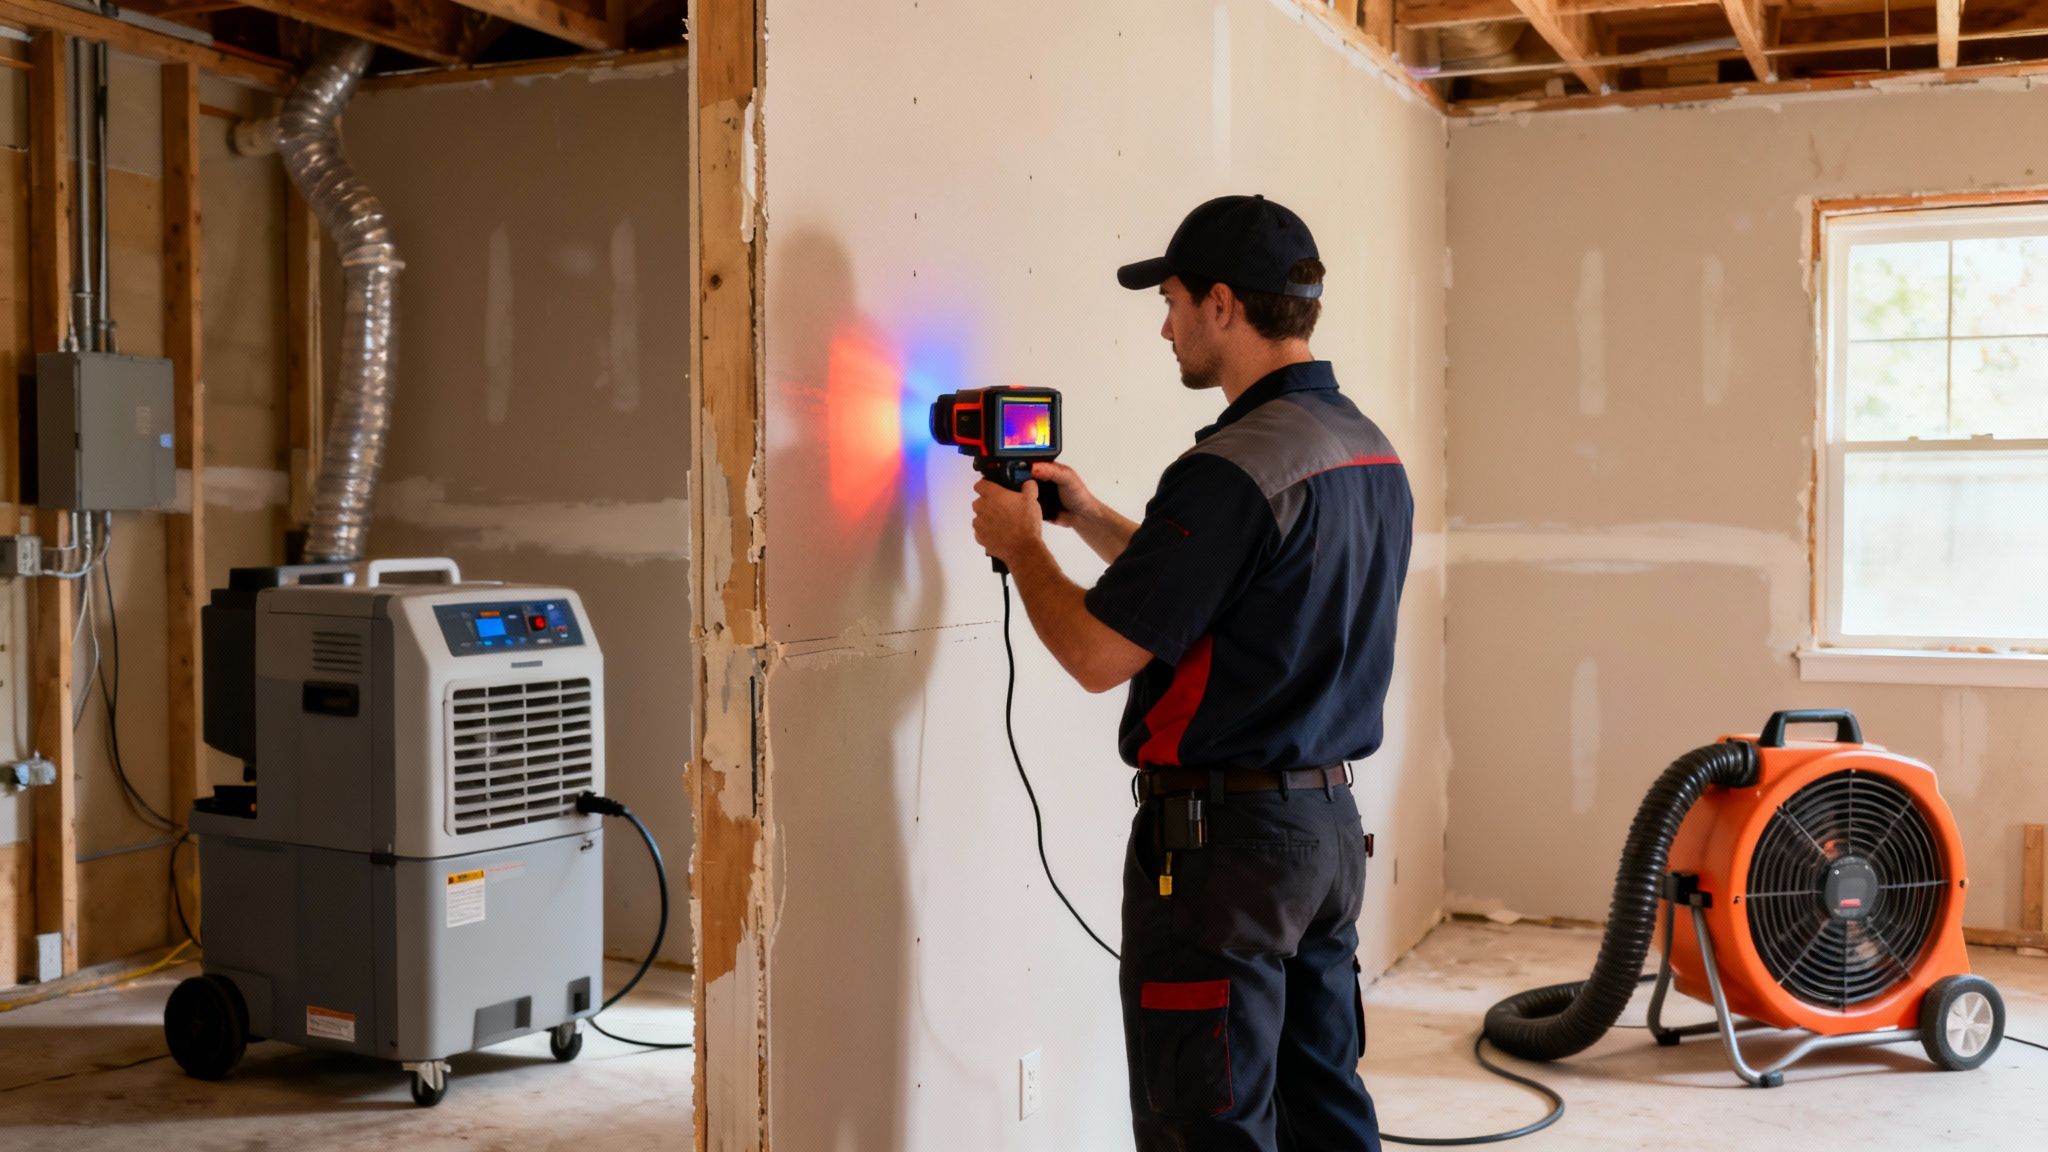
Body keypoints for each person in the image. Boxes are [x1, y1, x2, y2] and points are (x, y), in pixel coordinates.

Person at [970, 194, 1413, 1152]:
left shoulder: (1230, 468)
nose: (1164, 326)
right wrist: (1087, 517)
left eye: (1170, 300)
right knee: (1323, 1110)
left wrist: (1025, 552)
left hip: (1226, 857)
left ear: (1222, 304)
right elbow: (1237, 595)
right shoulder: (1364, 449)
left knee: (1206, 1126)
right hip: (1327, 837)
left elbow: (1096, 655)